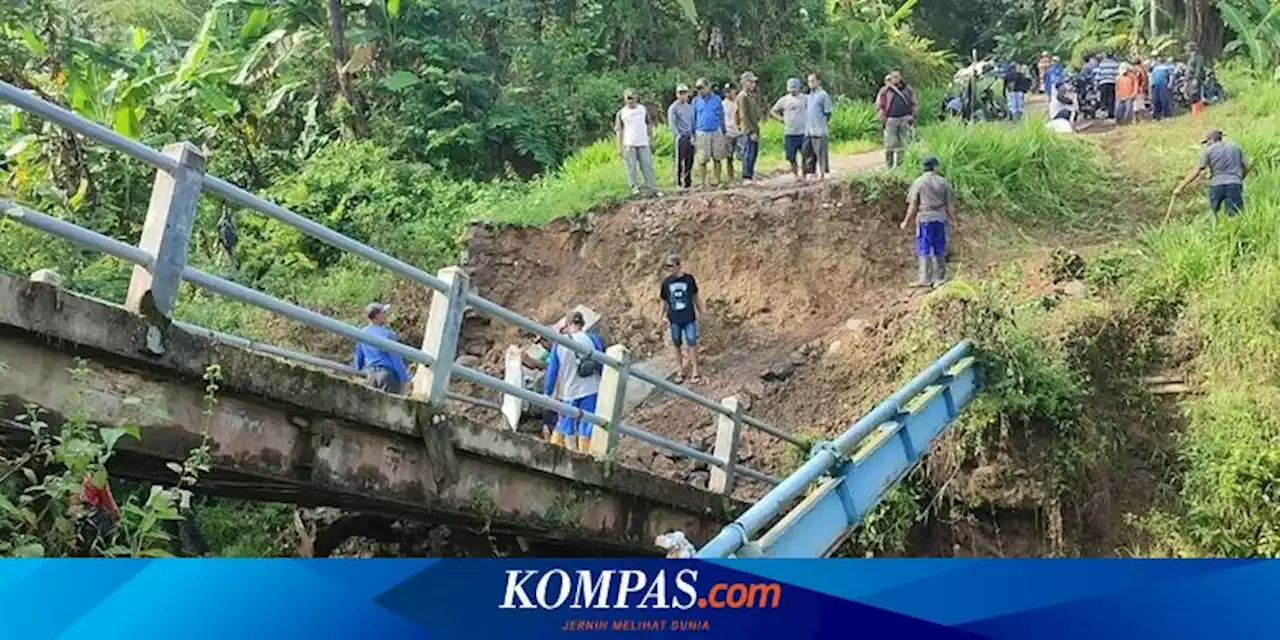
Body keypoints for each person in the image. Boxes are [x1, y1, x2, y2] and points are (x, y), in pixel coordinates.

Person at [543, 311, 605, 453]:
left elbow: (552, 371)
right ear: (582, 324)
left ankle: (553, 452)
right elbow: (602, 365)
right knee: (587, 425)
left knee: (564, 424)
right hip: (591, 389)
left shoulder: (560, 343)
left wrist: (547, 392)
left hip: (569, 391)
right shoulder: (593, 339)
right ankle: (586, 456)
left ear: (568, 325)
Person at [900, 156, 957, 288]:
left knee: (924, 247)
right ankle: (940, 278)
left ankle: (925, 278)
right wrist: (954, 220)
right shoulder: (944, 183)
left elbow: (913, 205)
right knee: (939, 247)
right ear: (935, 167)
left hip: (924, 219)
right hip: (940, 219)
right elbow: (950, 206)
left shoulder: (918, 182)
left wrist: (906, 221)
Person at [1172, 129, 1250, 217]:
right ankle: (1234, 229)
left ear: (1211, 139)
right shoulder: (1236, 148)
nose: (1207, 144)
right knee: (1235, 214)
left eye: (1207, 142)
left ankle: (1216, 229)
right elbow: (1247, 166)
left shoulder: (1208, 151)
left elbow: (1197, 170)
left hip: (1216, 185)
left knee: (1214, 213)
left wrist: (1180, 187)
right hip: (1234, 183)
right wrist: (1240, 178)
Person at [659, 253, 703, 384]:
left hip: (689, 317)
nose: (669, 269)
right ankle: (680, 370)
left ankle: (695, 370)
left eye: (671, 266)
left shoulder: (689, 279)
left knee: (692, 342)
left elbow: (695, 297)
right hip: (674, 318)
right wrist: (660, 317)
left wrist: (702, 312)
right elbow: (664, 301)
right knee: (676, 343)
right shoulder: (666, 283)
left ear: (678, 265)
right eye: (667, 267)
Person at [353, 302, 412, 395]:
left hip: (371, 375)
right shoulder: (388, 334)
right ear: (376, 316)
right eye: (384, 313)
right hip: (387, 375)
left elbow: (358, 357)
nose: (386, 315)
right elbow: (396, 359)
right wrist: (405, 379)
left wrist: (357, 371)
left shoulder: (362, 333)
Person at [615, 89, 660, 197]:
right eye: (628, 98)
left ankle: (652, 188)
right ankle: (634, 188)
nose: (630, 100)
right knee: (631, 167)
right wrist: (619, 146)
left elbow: (649, 124)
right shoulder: (621, 113)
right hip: (629, 143)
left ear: (636, 97)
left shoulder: (643, 109)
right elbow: (619, 130)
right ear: (625, 99)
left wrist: (651, 137)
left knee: (647, 165)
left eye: (632, 97)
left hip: (643, 142)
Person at [875, 68, 916, 168]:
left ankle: (900, 166)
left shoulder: (908, 90)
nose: (896, 79)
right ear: (891, 77)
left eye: (897, 77)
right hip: (891, 120)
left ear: (900, 77)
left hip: (904, 119)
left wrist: (912, 116)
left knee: (903, 145)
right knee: (890, 145)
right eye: (894, 77)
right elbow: (880, 106)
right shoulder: (885, 91)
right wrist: (882, 118)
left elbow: (913, 103)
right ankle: (889, 166)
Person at [692, 78, 728, 189]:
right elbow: (693, 118)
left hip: (716, 130)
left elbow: (721, 115)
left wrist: (724, 130)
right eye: (698, 88)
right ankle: (703, 183)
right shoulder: (696, 101)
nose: (700, 90)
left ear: (708, 87)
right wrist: (692, 133)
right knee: (702, 158)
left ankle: (718, 180)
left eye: (702, 87)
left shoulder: (716, 99)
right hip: (701, 131)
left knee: (717, 157)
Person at [771, 78, 808, 181]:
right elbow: (773, 111)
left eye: (795, 87)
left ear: (799, 87)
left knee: (805, 155)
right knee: (791, 156)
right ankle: (796, 175)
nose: (793, 90)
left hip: (803, 132)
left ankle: (804, 174)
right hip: (790, 132)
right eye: (791, 88)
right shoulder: (784, 100)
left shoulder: (805, 98)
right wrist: (781, 119)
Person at [804, 72, 834, 181]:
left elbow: (828, 112)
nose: (810, 83)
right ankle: (811, 173)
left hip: (819, 130)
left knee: (821, 153)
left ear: (818, 81)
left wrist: (822, 123)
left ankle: (824, 172)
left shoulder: (823, 95)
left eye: (813, 81)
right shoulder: (809, 96)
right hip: (809, 130)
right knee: (809, 153)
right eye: (809, 81)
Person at [736, 71, 763, 184]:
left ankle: (750, 175)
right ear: (744, 82)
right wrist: (750, 131)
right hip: (748, 130)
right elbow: (743, 115)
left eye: (753, 82)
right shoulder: (743, 97)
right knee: (748, 153)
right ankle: (746, 176)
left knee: (753, 153)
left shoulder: (750, 96)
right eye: (750, 82)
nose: (753, 84)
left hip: (754, 127)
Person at [667, 84, 694, 191]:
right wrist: (677, 135)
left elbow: (693, 122)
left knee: (689, 160)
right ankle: (678, 183)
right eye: (680, 93)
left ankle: (688, 183)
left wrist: (693, 135)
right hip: (681, 137)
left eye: (684, 93)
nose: (682, 96)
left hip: (690, 136)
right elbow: (672, 123)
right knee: (680, 161)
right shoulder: (673, 108)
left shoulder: (690, 107)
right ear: (677, 94)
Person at [722, 83, 741, 182]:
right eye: (727, 92)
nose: (729, 94)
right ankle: (731, 177)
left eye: (730, 91)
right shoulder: (723, 104)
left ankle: (745, 175)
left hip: (739, 131)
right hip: (728, 132)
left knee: (742, 155)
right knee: (729, 157)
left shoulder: (739, 102)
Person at [1095, 52, 1119, 119]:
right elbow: (1117, 74)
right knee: (1111, 98)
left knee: (1104, 99)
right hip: (1112, 83)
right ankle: (1111, 114)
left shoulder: (1102, 64)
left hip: (1103, 83)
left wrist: (1096, 84)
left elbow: (1098, 75)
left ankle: (1104, 113)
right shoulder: (1115, 64)